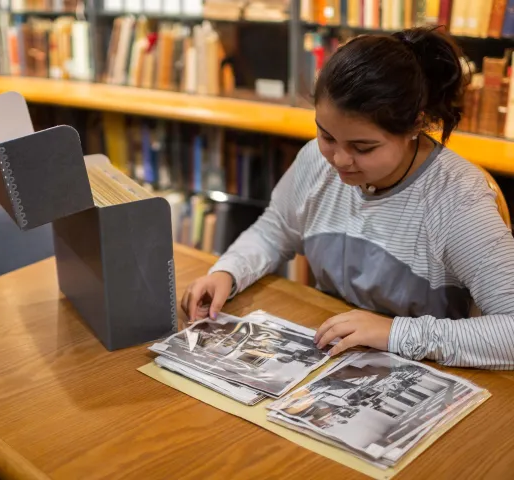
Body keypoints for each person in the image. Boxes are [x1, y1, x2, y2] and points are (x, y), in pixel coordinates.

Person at [181, 26, 514, 370]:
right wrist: (227, 273)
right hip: (332, 355)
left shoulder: (458, 198)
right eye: (326, 136)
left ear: (415, 126)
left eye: (362, 147)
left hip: (430, 371)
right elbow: (274, 231)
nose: (339, 160)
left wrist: (394, 333)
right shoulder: (315, 160)